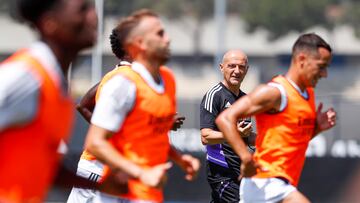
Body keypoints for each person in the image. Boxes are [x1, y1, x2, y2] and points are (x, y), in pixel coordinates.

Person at [0, 0, 126, 202]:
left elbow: (46, 166)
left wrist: (101, 185)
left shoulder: (53, 81)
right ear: (51, 23)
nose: (93, 17)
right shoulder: (26, 76)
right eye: (82, 10)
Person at [79, 9, 200, 203]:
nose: (168, 39)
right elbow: (95, 142)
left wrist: (179, 158)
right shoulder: (122, 83)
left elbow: (150, 134)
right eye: (159, 34)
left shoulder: (167, 79)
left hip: (148, 190)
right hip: (117, 188)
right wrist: (141, 172)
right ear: (140, 43)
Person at [216, 33, 337, 203]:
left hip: (279, 185)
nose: (324, 74)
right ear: (302, 59)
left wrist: (317, 128)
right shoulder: (274, 92)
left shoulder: (308, 94)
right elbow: (225, 119)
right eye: (321, 66)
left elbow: (295, 141)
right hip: (265, 182)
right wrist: (245, 157)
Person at [200, 50, 256, 203]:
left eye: (241, 67)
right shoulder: (214, 95)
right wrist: (234, 133)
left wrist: (268, 139)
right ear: (221, 67)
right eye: (232, 66)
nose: (236, 71)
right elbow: (205, 136)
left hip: (241, 171)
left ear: (247, 70)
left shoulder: (245, 99)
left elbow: (246, 136)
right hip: (222, 171)